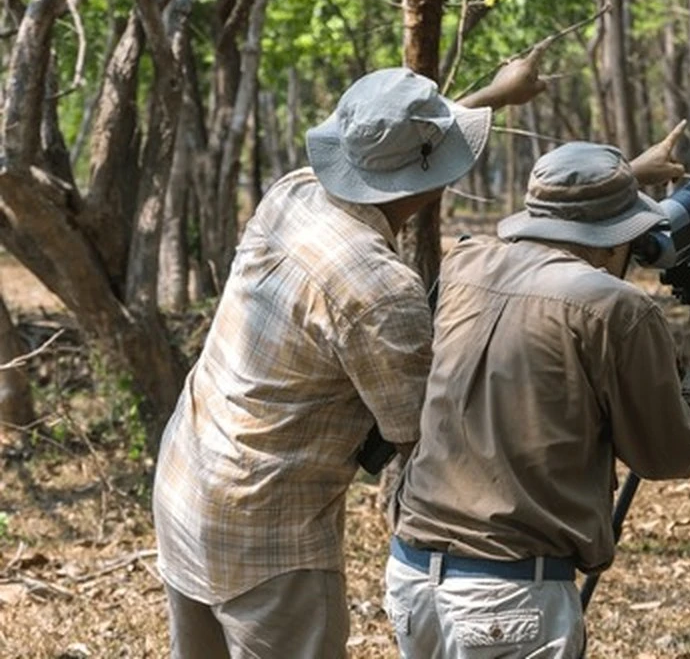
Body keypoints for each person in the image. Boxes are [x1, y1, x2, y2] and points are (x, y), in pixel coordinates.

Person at [152, 60, 545, 659]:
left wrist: (493, 95)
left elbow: (388, 148)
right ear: (434, 182)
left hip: (189, 484)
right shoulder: (379, 288)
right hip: (268, 530)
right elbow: (416, 428)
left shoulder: (294, 192)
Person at [384, 141, 690, 658]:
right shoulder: (614, 307)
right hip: (509, 593)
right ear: (613, 241)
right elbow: (669, 455)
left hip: (413, 576)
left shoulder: (466, 264)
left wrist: (615, 182)